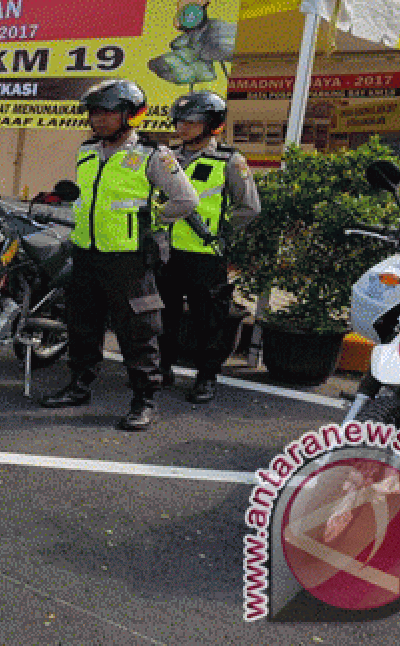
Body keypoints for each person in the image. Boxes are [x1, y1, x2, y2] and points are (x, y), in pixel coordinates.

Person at [37, 79, 198, 432]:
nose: (98, 119)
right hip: (86, 252)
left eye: (107, 112)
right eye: (94, 113)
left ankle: (144, 401)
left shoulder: (153, 155)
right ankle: (79, 386)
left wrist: (147, 221)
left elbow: (186, 200)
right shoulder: (86, 151)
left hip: (128, 258)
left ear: (129, 114)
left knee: (138, 332)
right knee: (82, 326)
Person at [157, 90, 261, 404]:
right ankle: (162, 369)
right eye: (180, 121)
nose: (183, 127)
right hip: (166, 251)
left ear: (211, 124)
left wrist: (222, 233)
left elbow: (249, 207)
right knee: (164, 316)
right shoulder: (166, 157)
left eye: (192, 121)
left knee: (209, 321)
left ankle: (206, 377)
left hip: (205, 255)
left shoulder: (229, 160)